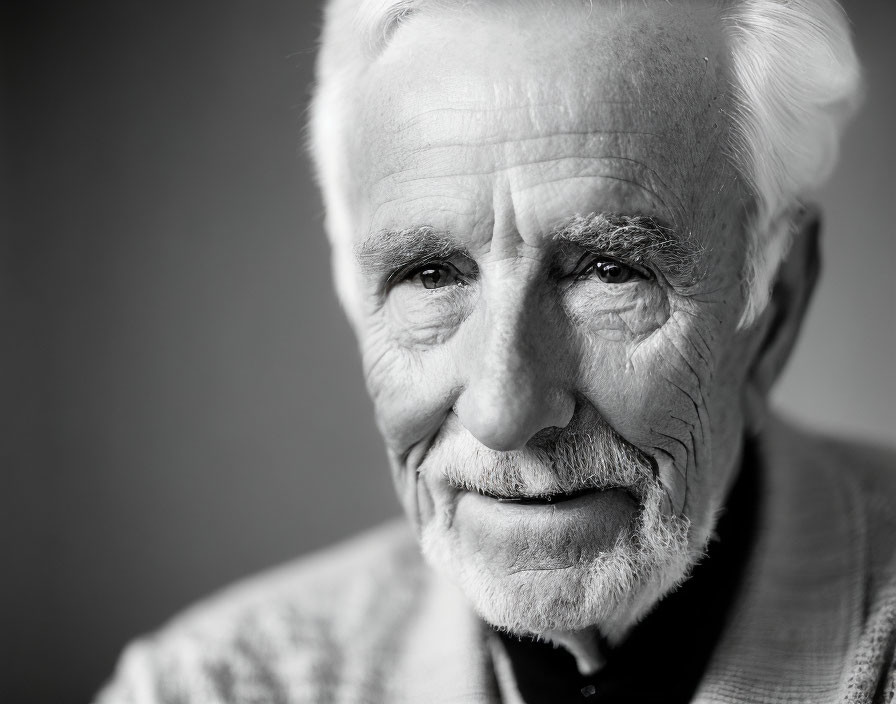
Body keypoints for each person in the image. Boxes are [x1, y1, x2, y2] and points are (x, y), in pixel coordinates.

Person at [95, 0, 896, 701]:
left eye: (610, 271)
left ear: (777, 306)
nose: (503, 410)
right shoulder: (207, 686)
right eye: (431, 275)